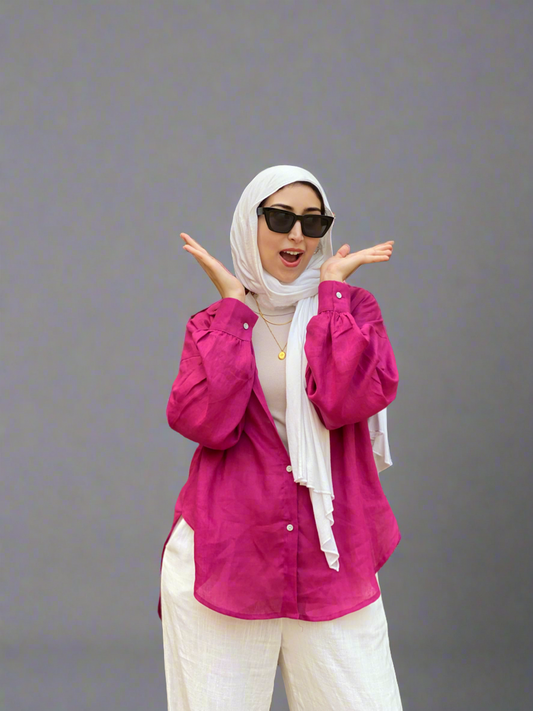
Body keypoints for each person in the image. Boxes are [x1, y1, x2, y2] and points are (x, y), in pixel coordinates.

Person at [158, 165, 403, 710]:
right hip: (226, 554)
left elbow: (346, 401)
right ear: (251, 224)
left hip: (331, 558)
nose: (297, 235)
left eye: (313, 222)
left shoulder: (353, 312)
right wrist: (234, 308)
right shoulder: (215, 324)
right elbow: (206, 423)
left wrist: (332, 293)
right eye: (279, 218)